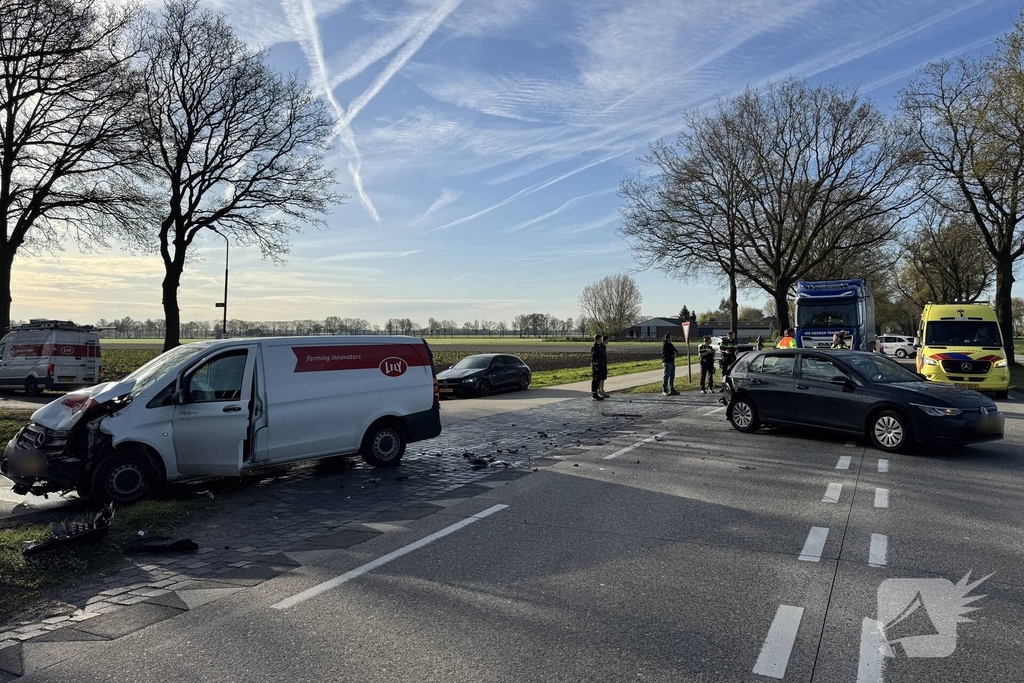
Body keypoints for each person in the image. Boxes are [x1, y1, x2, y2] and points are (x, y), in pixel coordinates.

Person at [590, 334, 605, 401]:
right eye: (600, 338)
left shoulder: (599, 346)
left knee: (598, 380)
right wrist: (596, 366)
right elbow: (593, 357)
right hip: (596, 367)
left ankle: (596, 393)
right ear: (597, 339)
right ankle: (594, 394)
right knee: (595, 380)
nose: (601, 340)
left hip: (600, 366)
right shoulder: (594, 347)